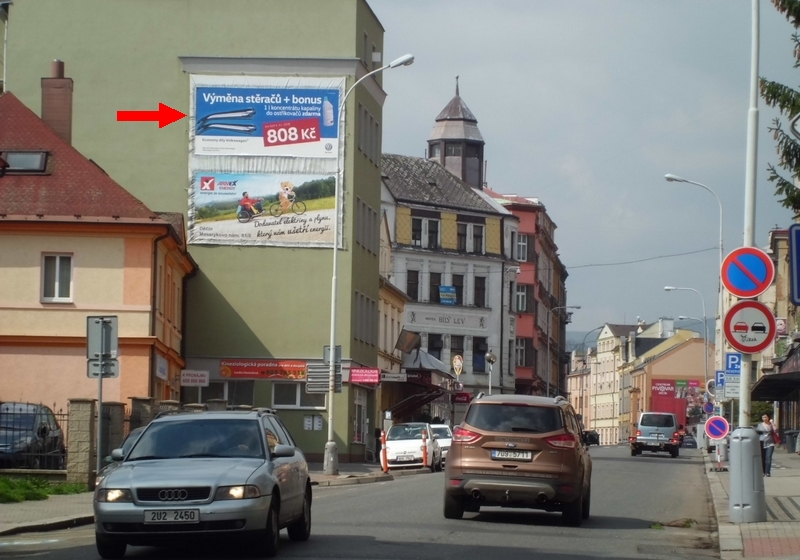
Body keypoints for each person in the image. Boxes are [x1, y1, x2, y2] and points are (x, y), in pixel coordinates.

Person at [757, 412, 778, 477]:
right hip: (761, 442)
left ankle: (767, 472)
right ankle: (763, 472)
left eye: (766, 417)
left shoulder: (771, 424)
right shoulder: (760, 425)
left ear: (768, 417)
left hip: (770, 443)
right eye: (763, 417)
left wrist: (772, 423)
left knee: (768, 458)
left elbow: (776, 430)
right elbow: (757, 432)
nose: (764, 418)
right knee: (762, 458)